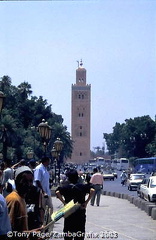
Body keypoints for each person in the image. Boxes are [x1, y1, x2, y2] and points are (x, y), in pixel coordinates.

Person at [56, 169, 95, 240]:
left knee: (68, 233)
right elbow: (92, 190)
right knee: (79, 233)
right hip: (80, 212)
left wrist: (64, 203)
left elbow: (57, 192)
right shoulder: (82, 186)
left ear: (68, 178)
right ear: (77, 177)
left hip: (69, 212)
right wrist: (86, 202)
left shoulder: (66, 187)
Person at [6, 166, 43, 239]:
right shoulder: (13, 199)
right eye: (25, 181)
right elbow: (9, 232)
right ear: (16, 181)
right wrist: (30, 234)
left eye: (31, 181)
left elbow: (21, 231)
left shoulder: (21, 198)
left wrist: (32, 233)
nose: (29, 184)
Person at [34, 156, 53, 224]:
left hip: (47, 192)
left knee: (50, 208)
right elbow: (37, 180)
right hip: (41, 193)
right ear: (45, 161)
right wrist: (43, 191)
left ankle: (48, 222)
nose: (49, 163)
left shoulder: (45, 169)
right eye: (48, 161)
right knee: (42, 208)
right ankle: (42, 223)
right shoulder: (39, 169)